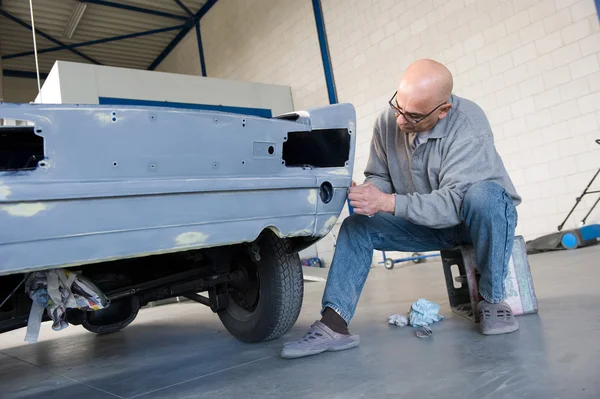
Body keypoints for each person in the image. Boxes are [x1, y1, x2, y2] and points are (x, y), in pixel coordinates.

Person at [280, 59, 522, 359]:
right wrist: (368, 193)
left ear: (442, 110)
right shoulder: (389, 119)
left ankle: (493, 300)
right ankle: (333, 326)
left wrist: (388, 203)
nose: (400, 120)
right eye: (398, 107)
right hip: (429, 223)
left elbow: (455, 204)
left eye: (413, 116)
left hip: (477, 219)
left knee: (484, 195)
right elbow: (379, 175)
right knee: (356, 229)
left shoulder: (468, 123)